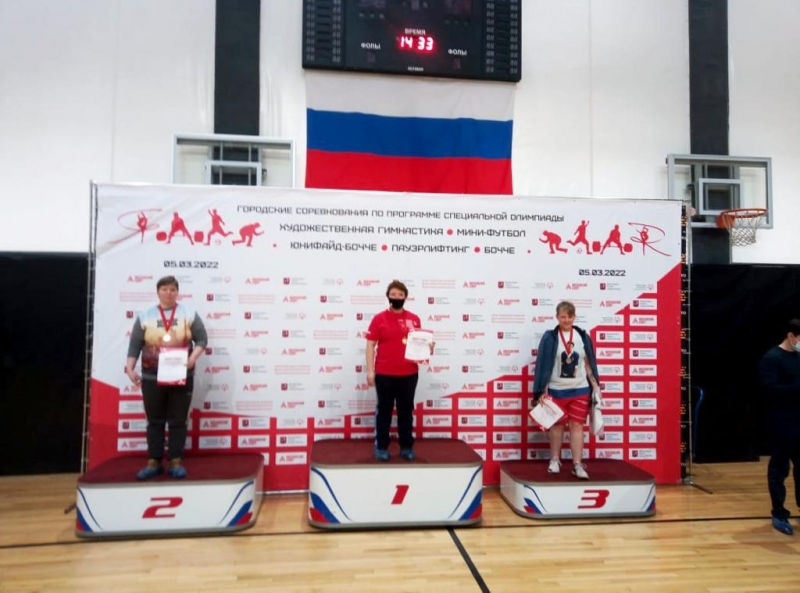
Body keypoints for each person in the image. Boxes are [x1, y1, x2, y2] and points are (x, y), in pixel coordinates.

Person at [125, 275, 208, 480]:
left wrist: (192, 359)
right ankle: (153, 461)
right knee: (154, 420)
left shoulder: (188, 313)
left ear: (177, 292)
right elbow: (135, 344)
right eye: (164, 289)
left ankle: (176, 460)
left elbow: (202, 339)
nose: (168, 293)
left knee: (178, 420)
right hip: (152, 377)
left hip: (181, 375)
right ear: (158, 292)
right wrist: (130, 368)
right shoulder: (145, 315)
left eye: (172, 290)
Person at [365, 280, 433, 462]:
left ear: (405, 297)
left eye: (400, 295)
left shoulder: (414, 319)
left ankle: (406, 446)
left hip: (408, 374)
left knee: (406, 411)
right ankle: (381, 447)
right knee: (384, 411)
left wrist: (429, 347)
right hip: (384, 373)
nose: (396, 297)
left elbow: (420, 345)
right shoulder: (379, 319)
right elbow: (370, 345)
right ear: (388, 296)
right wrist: (370, 371)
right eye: (393, 294)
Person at [532, 301, 601, 479]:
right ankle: (555, 460)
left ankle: (577, 464)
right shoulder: (550, 337)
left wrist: (595, 386)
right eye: (563, 317)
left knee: (577, 426)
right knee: (557, 426)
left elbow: (588, 364)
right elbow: (543, 365)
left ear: (574, 317)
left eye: (569, 316)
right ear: (557, 317)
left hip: (580, 390)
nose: (566, 320)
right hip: (556, 389)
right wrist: (540, 391)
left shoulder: (582, 336)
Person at [757, 319, 800, 535]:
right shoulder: (772, 358)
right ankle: (779, 513)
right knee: (779, 470)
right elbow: (770, 389)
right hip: (781, 423)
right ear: (791, 336)